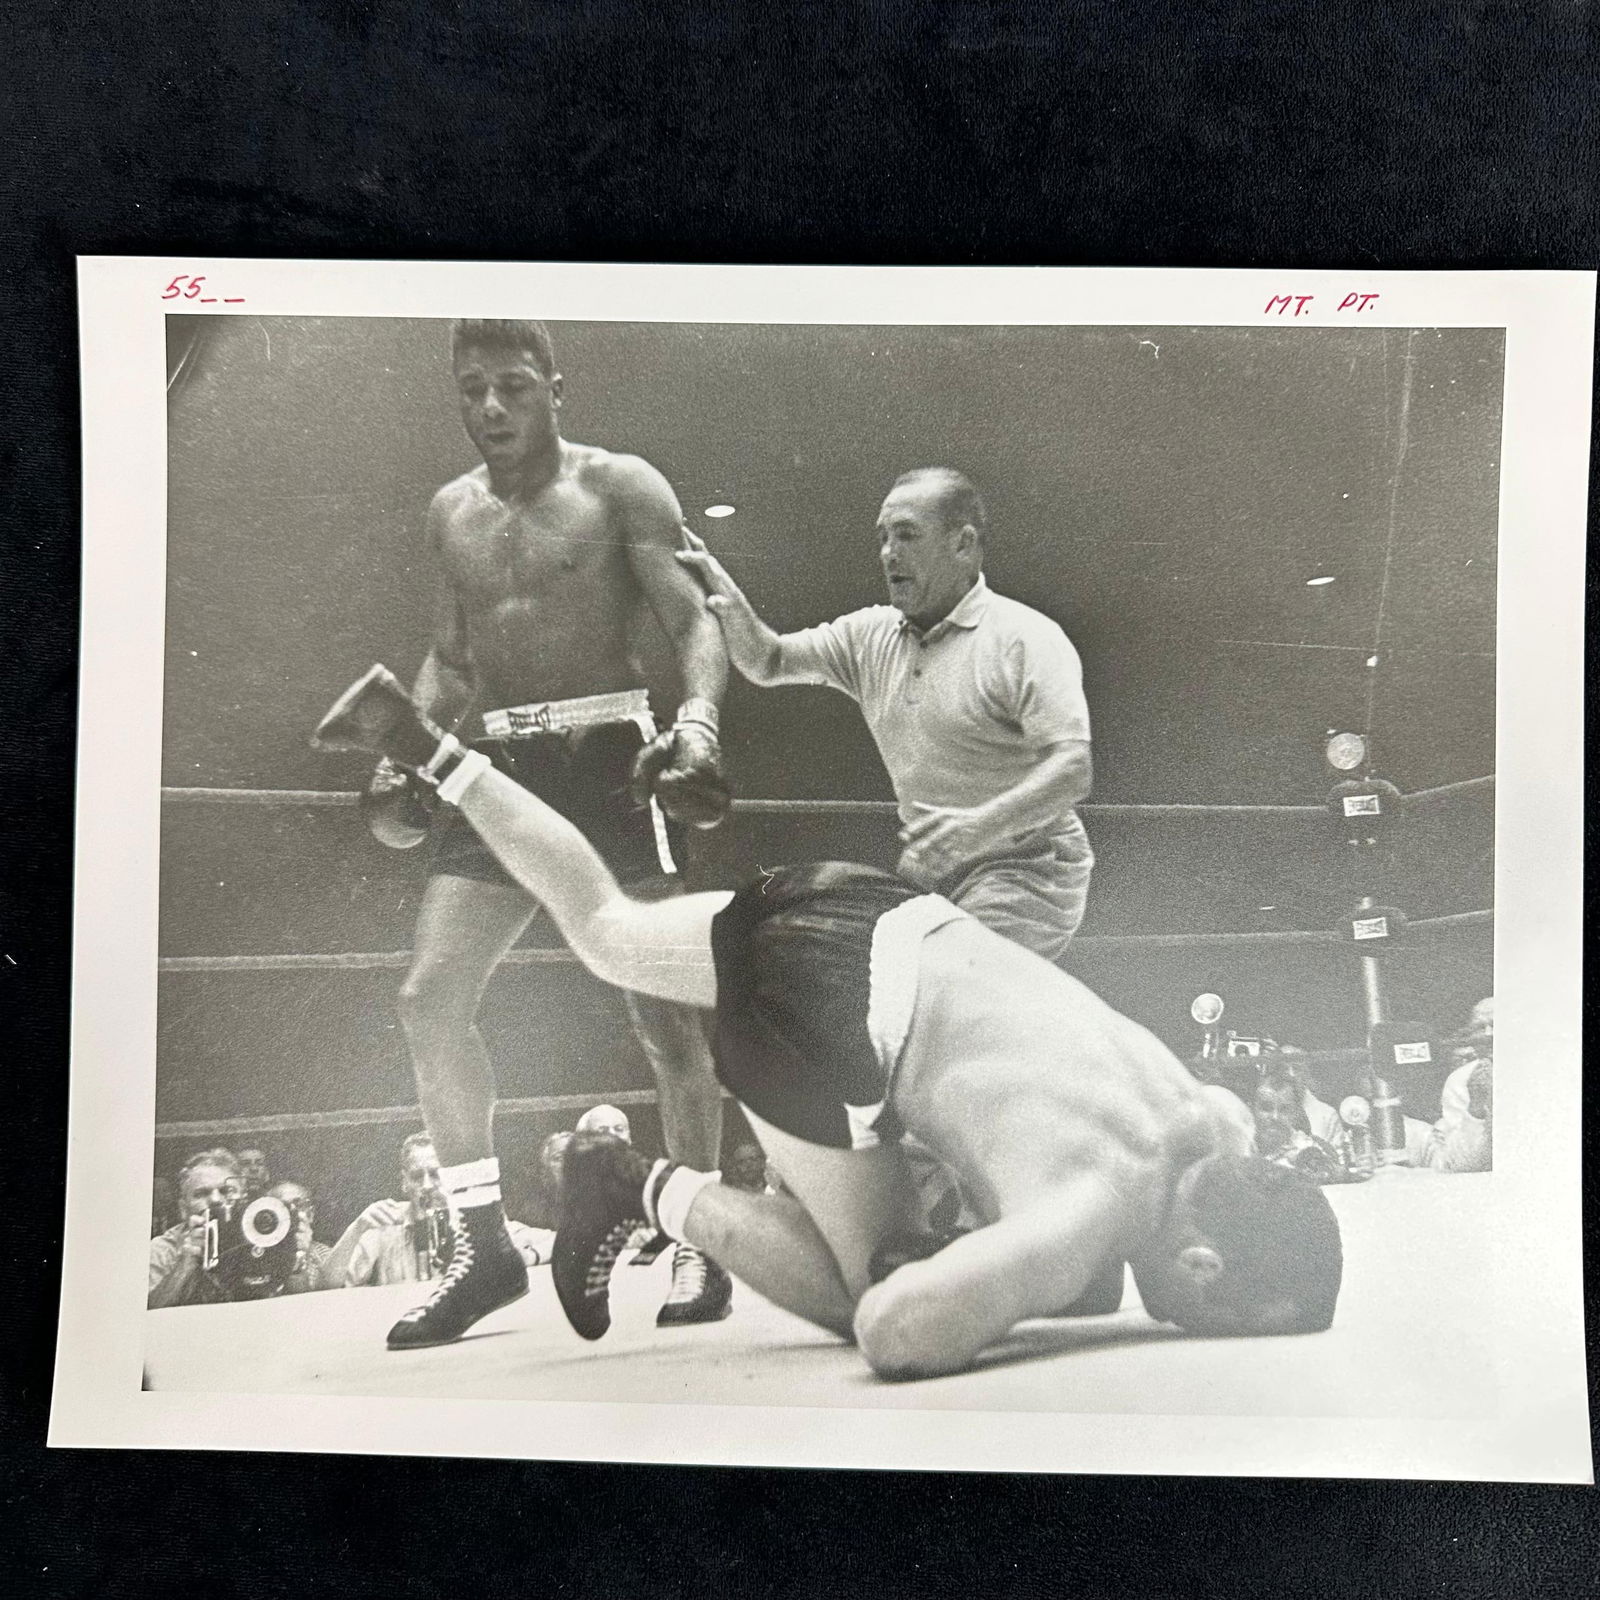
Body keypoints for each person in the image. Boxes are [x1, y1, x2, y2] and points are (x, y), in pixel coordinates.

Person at [313, 669, 1344, 1380]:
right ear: (1205, 1266)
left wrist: (1015, 1264)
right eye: (1211, 1314)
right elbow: (896, 1333)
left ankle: (435, 753)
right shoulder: (1084, 1213)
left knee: (605, 928)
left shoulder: (1212, 1116)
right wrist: (1013, 1278)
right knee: (873, 1283)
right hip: (832, 1020)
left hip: (882, 911)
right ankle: (638, 1183)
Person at [352, 319, 735, 1348]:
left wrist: (697, 723)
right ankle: (483, 1248)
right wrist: (406, 752)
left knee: (662, 1018)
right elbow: (452, 658)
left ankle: (702, 1231)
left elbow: (695, 618)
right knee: (428, 998)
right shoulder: (451, 512)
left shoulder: (620, 487)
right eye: (471, 390)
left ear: (555, 389)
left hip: (616, 759)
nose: (490, 410)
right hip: (506, 770)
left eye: (512, 388)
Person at [676, 468, 1094, 963]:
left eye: (908, 535)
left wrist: (975, 829)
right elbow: (768, 661)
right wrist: (724, 593)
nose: (889, 553)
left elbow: (1073, 771)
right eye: (884, 537)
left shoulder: (1024, 638)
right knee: (869, 984)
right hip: (935, 869)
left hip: (1030, 869)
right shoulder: (870, 635)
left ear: (963, 545)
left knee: (948, 984)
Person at [324, 1132, 552, 1288]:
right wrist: (357, 1228)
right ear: (404, 1182)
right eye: (416, 1176)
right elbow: (326, 1284)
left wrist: (529, 1256)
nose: (426, 1185)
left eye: (435, 1174)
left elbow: (560, 1241)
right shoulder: (385, 1226)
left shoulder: (474, 1219)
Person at [148, 1149, 246, 1309]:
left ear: (243, 1197)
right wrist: (186, 1264)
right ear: (183, 1209)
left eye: (226, 1191)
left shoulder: (261, 1235)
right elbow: (150, 1310)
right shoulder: (162, 1249)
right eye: (201, 1193)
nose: (215, 1200)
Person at [1423, 997, 1493, 1173]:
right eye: (1479, 1027)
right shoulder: (1460, 1081)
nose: (1488, 1034)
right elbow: (1460, 1165)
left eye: (1497, 1025)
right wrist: (1475, 1109)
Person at [268, 1180, 334, 1291]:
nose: (291, 1212)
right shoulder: (259, 1256)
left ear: (311, 1214)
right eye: (282, 1206)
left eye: (299, 1205)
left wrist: (303, 1254)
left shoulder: (326, 1256)